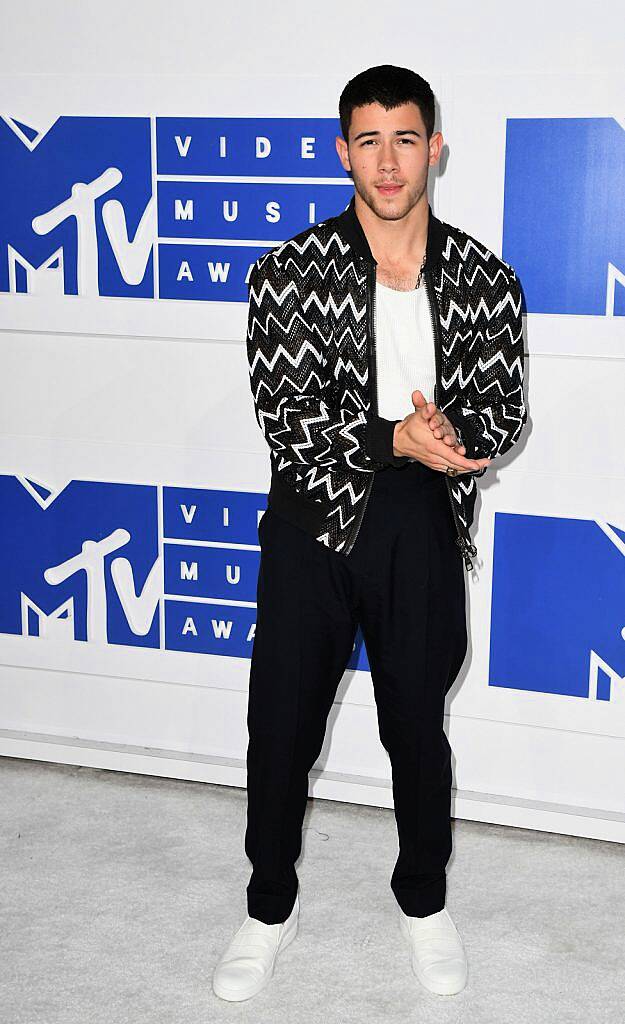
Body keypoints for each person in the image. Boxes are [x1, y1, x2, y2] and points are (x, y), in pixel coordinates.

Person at [213, 64, 527, 1003]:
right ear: (342, 149)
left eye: (404, 138)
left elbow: (501, 409)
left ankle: (423, 901)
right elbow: (290, 420)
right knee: (278, 730)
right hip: (311, 521)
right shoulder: (289, 272)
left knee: (415, 732)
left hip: (419, 521)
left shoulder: (482, 277)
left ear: (433, 147)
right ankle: (268, 908)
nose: (386, 162)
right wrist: (393, 437)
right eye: (367, 139)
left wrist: (455, 442)